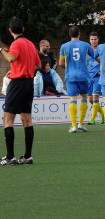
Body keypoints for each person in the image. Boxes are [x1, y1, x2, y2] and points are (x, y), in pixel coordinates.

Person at [0, 17, 41, 165]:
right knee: (26, 119)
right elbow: (38, 66)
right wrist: (24, 69)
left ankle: (10, 157)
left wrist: (1, 50)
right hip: (29, 83)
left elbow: (11, 58)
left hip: (17, 84)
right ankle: (27, 156)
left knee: (8, 119)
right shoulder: (30, 44)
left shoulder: (16, 43)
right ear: (23, 29)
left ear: (10, 30)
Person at [59, 26, 95, 133]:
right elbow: (94, 56)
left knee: (72, 100)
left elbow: (61, 63)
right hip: (83, 75)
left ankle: (74, 125)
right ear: (79, 34)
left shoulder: (64, 46)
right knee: (84, 97)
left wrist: (69, 68)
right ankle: (81, 124)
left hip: (71, 76)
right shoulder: (85, 45)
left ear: (69, 34)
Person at [86, 31, 105, 125]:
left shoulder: (101, 49)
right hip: (89, 77)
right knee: (90, 100)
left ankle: (92, 119)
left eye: (95, 39)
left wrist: (101, 71)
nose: (93, 41)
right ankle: (103, 114)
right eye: (92, 39)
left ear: (98, 40)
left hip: (98, 77)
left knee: (95, 97)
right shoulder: (87, 50)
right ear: (89, 40)